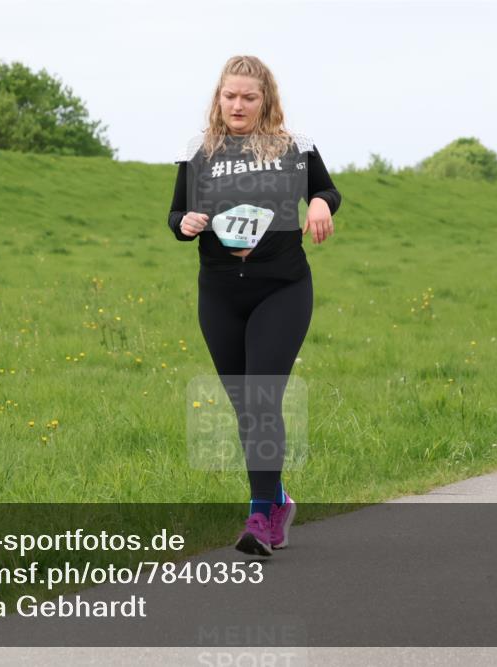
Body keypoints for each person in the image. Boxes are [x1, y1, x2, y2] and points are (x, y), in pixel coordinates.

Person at [168, 55, 341, 557]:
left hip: (280, 288)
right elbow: (175, 214)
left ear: (266, 99)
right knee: (245, 406)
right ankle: (278, 499)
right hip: (220, 292)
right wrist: (186, 224)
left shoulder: (293, 147)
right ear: (218, 97)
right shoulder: (197, 150)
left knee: (262, 396)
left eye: (248, 96)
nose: (237, 105)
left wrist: (317, 204)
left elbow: (327, 190)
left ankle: (261, 514)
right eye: (229, 96)